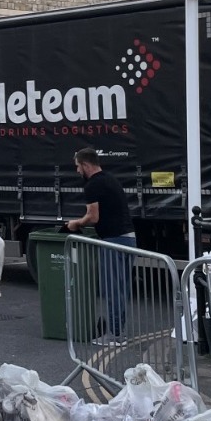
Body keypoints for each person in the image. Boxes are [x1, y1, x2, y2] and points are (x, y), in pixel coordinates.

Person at [67, 147, 136, 346]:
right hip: (128, 238)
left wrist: (75, 223)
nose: (77, 171)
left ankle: (115, 335)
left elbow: (93, 216)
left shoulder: (93, 185)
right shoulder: (111, 179)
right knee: (121, 288)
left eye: (78, 167)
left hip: (113, 240)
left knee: (112, 289)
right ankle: (119, 332)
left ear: (85, 165)